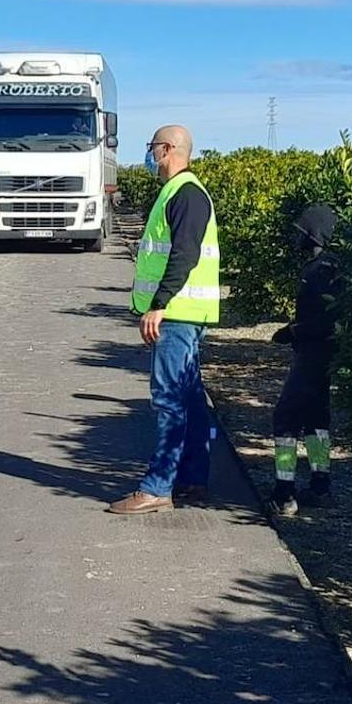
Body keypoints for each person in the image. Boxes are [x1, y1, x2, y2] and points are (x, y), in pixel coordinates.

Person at [109, 125, 219, 515]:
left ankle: (157, 487)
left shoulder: (186, 193)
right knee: (189, 398)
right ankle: (193, 480)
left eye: (153, 148)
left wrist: (159, 304)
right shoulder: (180, 193)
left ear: (168, 149)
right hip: (183, 313)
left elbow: (184, 255)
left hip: (177, 315)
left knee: (169, 399)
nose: (149, 155)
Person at [268, 205, 341, 517]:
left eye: (301, 231)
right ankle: (320, 485)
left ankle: (284, 494)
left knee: (285, 419)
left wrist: (296, 331)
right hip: (322, 359)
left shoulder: (319, 272)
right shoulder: (331, 267)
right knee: (316, 420)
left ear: (314, 234)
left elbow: (328, 322)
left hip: (311, 357)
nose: (296, 237)